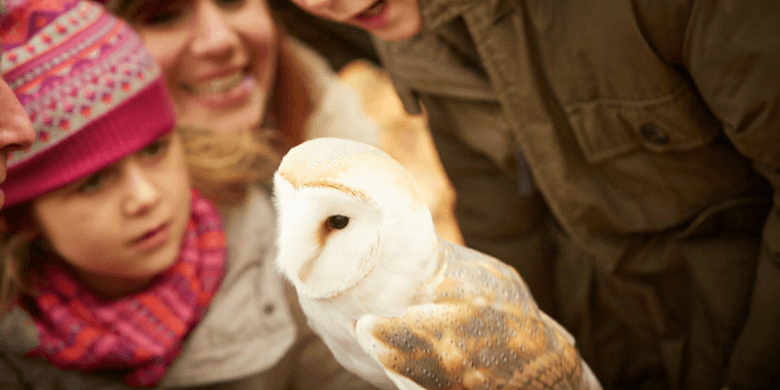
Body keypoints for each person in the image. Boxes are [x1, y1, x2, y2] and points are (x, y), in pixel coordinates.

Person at [283, 1, 780, 389]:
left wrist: (754, 374)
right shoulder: (402, 24)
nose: (320, 1)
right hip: (607, 338)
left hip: (742, 326)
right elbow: (501, 217)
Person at [0, 1, 377, 389]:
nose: (144, 196)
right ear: (25, 216)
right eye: (92, 182)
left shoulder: (284, 258)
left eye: (155, 149)